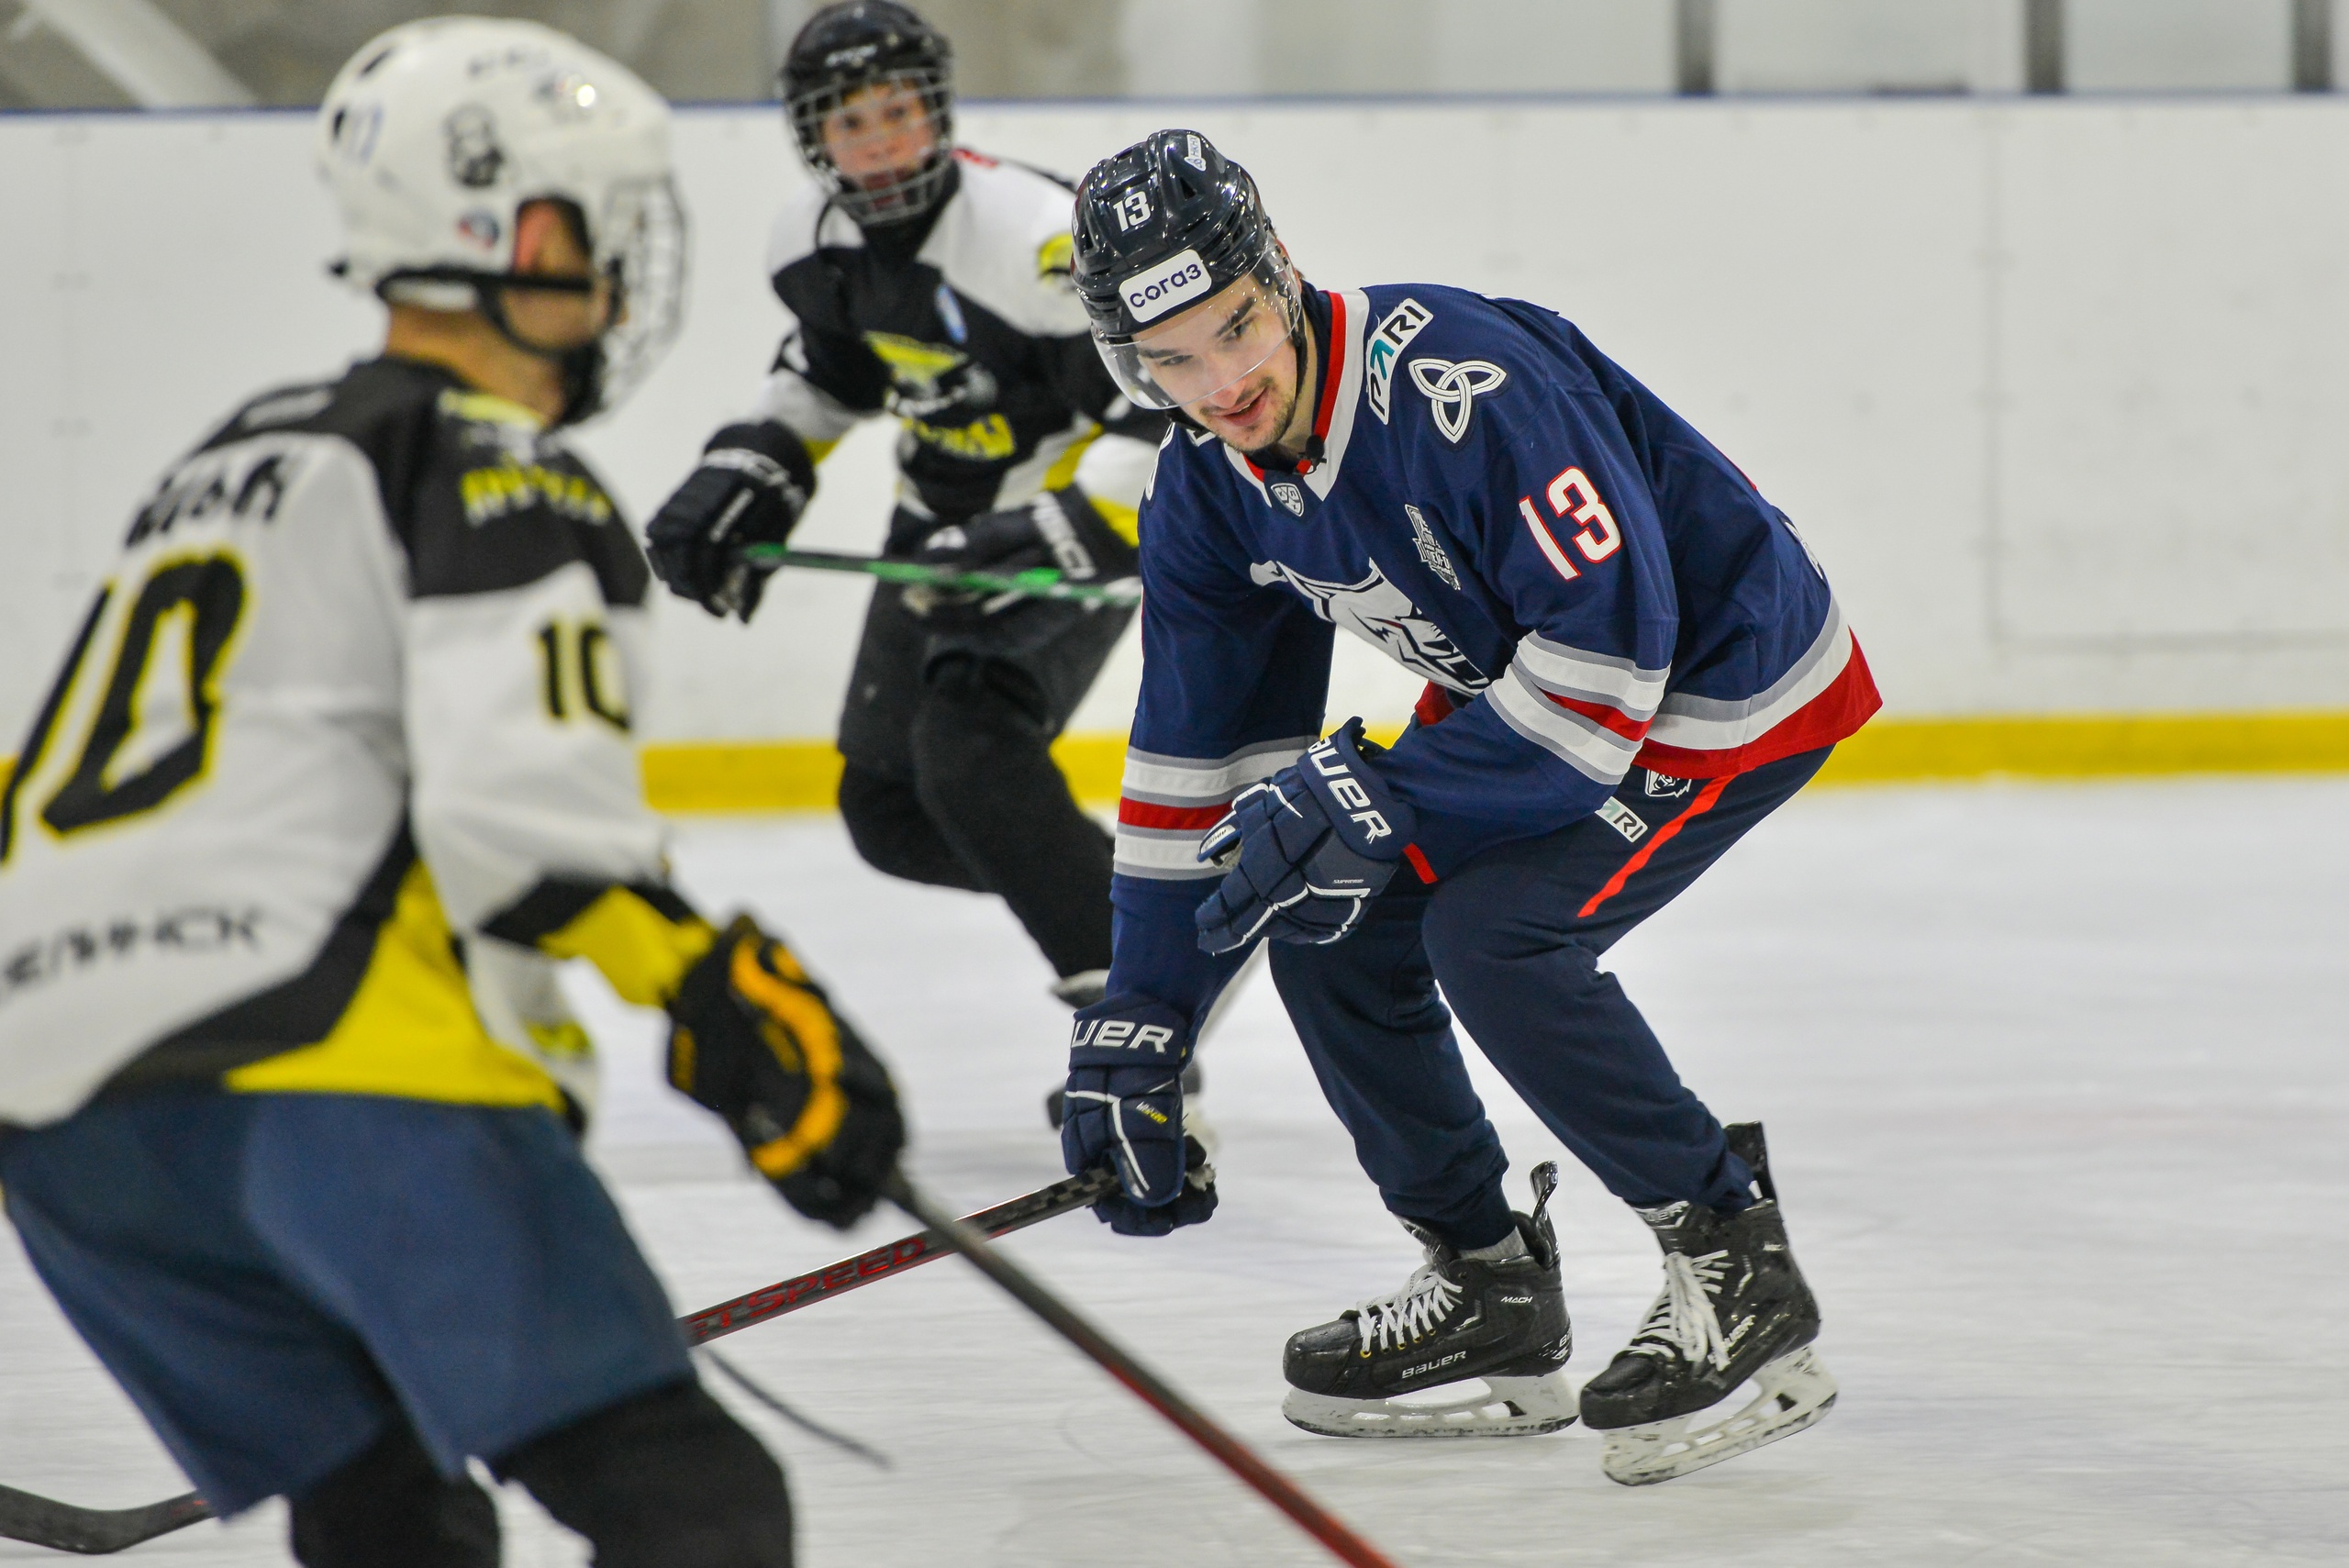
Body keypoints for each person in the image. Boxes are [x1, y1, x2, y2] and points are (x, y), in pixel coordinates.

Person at [0, 20, 902, 1565]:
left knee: (387, 1508)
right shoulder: (501, 466)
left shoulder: (234, 455)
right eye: (606, 233)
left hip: (57, 1108)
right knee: (692, 1502)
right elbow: (521, 827)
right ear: (528, 237)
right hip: (320, 1054)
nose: (622, 278)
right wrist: (716, 989)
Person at [1054, 130, 1881, 1485]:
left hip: (1722, 677)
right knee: (1331, 919)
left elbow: (1613, 667)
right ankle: (1490, 1285)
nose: (1224, 383)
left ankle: (1735, 1261)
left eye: (1239, 329)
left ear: (1282, 274)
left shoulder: (1459, 383)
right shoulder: (1208, 488)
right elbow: (1195, 766)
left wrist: (1380, 791)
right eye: (1174, 363)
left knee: (1495, 935)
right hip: (1541, 695)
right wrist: (1146, 1016)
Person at [641, 1, 1167, 1037]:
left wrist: (1058, 530)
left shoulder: (1036, 243)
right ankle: (1158, 919)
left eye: (897, 112)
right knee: (889, 812)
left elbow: (1166, 416)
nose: (879, 142)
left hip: (1071, 529)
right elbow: (829, 377)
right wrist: (751, 469)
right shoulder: (811, 244)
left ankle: (1136, 999)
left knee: (970, 750)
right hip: (935, 522)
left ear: (938, 112)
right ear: (813, 138)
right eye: (851, 123)